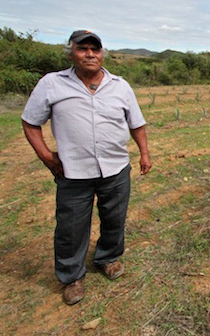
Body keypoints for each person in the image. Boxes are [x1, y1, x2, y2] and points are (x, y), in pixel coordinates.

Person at [21, 30, 151, 305]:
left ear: (102, 54)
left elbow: (136, 123)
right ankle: (71, 277)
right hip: (72, 173)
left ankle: (108, 258)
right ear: (72, 54)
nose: (90, 54)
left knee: (114, 219)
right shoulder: (52, 84)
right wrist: (46, 156)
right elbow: (30, 122)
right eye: (83, 49)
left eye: (95, 49)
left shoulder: (120, 86)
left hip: (115, 169)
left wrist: (144, 154)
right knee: (71, 227)